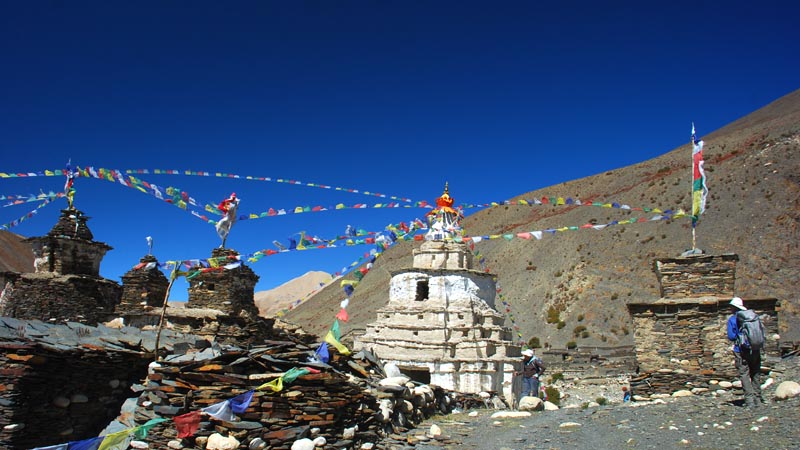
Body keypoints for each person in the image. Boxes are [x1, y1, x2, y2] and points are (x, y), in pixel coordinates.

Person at [726, 296, 764, 408]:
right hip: (755, 348)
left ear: (733, 307)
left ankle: (749, 400)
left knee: (744, 374)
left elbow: (731, 336)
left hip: (741, 351)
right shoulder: (752, 317)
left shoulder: (733, 319)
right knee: (756, 372)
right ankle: (758, 398)